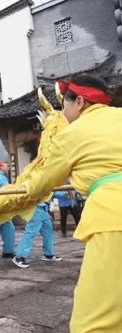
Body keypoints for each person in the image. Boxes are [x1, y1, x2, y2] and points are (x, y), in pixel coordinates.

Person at [16, 74, 119, 331]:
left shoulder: (72, 134)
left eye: (65, 105)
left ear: (80, 102)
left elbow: (41, 183)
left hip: (114, 219)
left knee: (95, 321)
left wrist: (23, 189)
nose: (63, 112)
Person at [11, 202, 62, 268]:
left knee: (49, 233)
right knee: (30, 233)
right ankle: (19, 257)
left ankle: (48, 254)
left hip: (44, 209)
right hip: (34, 208)